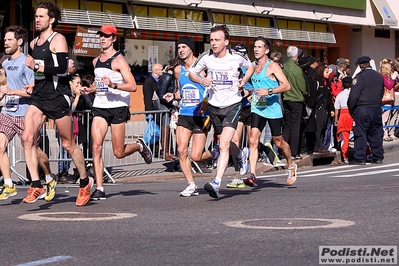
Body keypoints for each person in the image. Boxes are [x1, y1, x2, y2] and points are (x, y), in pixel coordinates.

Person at [23, 1, 91, 206]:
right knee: (27, 138)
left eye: (41, 16)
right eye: (36, 16)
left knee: (68, 143)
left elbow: (62, 68)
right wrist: (32, 83)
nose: (37, 19)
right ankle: (36, 184)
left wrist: (36, 64)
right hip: (39, 98)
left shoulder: (58, 39)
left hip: (57, 97)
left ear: (51, 19)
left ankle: (85, 182)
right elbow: (40, 72)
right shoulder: (34, 43)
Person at [84, 24, 152, 201]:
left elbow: (132, 86)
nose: (102, 39)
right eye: (100, 36)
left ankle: (138, 145)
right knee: (96, 147)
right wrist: (91, 90)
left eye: (106, 36)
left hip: (118, 108)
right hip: (100, 106)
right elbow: (100, 86)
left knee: (118, 152)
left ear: (114, 38)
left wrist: (113, 85)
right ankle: (100, 188)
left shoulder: (119, 60)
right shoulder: (95, 61)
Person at [188, 24, 254, 198]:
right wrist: (202, 80)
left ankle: (216, 182)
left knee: (224, 144)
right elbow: (191, 73)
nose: (214, 43)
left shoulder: (236, 57)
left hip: (233, 104)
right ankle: (241, 153)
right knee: (225, 145)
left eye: (217, 40)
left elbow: (251, 67)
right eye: (211, 40)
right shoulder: (206, 57)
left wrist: (244, 79)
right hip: (214, 105)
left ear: (226, 41)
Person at [0, 25, 56, 200]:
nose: (6, 43)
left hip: (26, 113)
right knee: (0, 146)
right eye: (4, 40)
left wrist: (12, 91)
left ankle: (48, 177)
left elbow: (33, 91)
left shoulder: (26, 62)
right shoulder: (5, 62)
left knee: (37, 152)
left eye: (9, 40)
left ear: (19, 41)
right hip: (8, 112)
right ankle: (9, 184)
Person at [163, 37, 216, 197]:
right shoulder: (178, 70)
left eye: (184, 47)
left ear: (191, 49)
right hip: (185, 113)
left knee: (196, 155)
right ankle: (191, 184)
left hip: (201, 114)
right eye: (179, 47)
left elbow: (213, 88)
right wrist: (172, 95)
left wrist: (206, 102)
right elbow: (182, 91)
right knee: (181, 150)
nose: (181, 50)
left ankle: (217, 153)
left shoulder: (203, 67)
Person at [245, 36, 297, 187]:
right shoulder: (252, 66)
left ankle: (291, 163)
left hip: (273, 108)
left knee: (278, 141)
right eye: (255, 46)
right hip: (258, 107)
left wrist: (269, 91)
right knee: (253, 139)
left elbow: (286, 86)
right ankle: (252, 174)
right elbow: (245, 81)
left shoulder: (273, 66)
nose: (256, 49)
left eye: (259, 47)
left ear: (266, 50)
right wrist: (242, 87)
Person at [348, 56, 384, 165]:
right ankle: (378, 156)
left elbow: (354, 95)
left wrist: (351, 107)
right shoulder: (379, 76)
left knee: (360, 133)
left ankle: (360, 157)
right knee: (376, 132)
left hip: (363, 107)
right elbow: (381, 91)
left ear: (360, 65)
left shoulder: (360, 77)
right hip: (377, 107)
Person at [282, 46, 307, 160]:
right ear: (296, 56)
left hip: (286, 98)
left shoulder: (284, 66)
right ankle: (293, 153)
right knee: (296, 126)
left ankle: (283, 151)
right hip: (296, 99)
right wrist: (305, 92)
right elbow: (302, 86)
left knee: (287, 125)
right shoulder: (296, 69)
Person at [157, 59, 179, 161]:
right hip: (162, 103)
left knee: (172, 127)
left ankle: (171, 152)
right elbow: (161, 94)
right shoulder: (167, 76)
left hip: (170, 102)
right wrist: (173, 102)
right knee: (165, 126)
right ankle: (165, 152)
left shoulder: (176, 77)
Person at [334, 76, 353, 164]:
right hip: (352, 114)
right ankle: (366, 153)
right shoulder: (354, 93)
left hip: (343, 115)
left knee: (345, 138)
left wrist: (336, 119)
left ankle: (345, 157)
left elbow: (337, 108)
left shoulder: (340, 94)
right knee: (360, 134)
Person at [379, 58, 395, 141]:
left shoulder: (385, 76)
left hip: (389, 99)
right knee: (384, 118)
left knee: (386, 117)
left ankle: (385, 133)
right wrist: (393, 79)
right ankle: (383, 134)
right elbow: (389, 86)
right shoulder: (383, 76)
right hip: (385, 99)